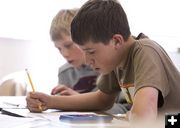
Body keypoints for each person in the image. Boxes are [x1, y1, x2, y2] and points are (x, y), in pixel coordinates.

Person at [26, 8, 131, 115]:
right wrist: (43, 103)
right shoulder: (65, 72)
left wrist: (78, 102)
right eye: (59, 48)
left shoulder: (110, 66)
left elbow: (126, 109)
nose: (65, 54)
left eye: (69, 45)